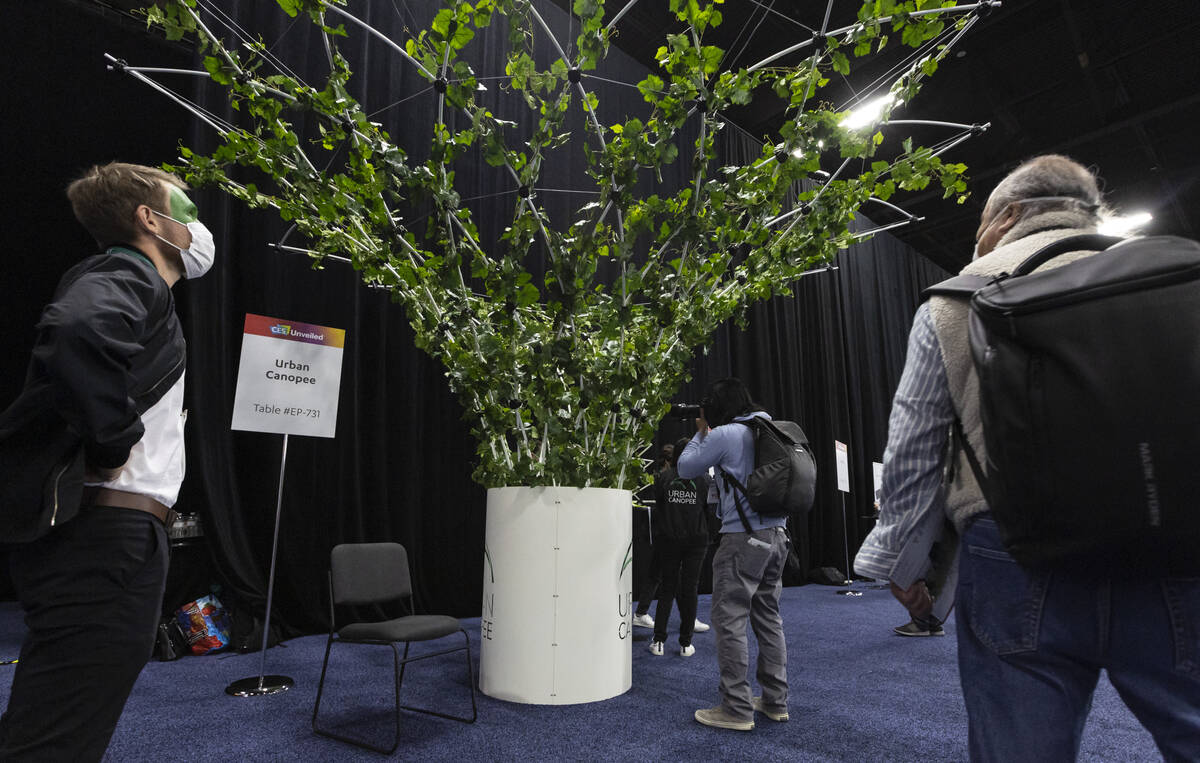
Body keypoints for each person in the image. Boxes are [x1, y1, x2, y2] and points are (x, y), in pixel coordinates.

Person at [854, 154, 1200, 760]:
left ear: (1011, 214)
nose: (977, 239)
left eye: (982, 223)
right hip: (1173, 542)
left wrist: (900, 567)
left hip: (1016, 550)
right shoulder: (1177, 275)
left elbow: (912, 452)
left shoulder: (956, 299)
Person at [0, 162, 215, 761]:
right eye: (189, 213)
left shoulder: (136, 286)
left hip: (103, 538)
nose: (200, 229)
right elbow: (78, 329)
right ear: (151, 218)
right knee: (59, 736)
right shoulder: (129, 271)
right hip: (106, 538)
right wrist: (113, 442)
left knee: (53, 713)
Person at [678, 378, 789, 731]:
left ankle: (736, 708)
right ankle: (774, 701)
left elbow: (685, 467)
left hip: (742, 539)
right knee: (769, 619)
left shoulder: (726, 434)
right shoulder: (772, 428)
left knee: (730, 621)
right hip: (778, 537)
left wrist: (701, 431)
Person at [648, 437, 711, 658]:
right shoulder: (704, 479)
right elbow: (707, 509)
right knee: (689, 589)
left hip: (670, 539)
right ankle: (686, 643)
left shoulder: (664, 477)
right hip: (696, 540)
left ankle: (658, 641)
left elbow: (659, 508)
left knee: (668, 588)